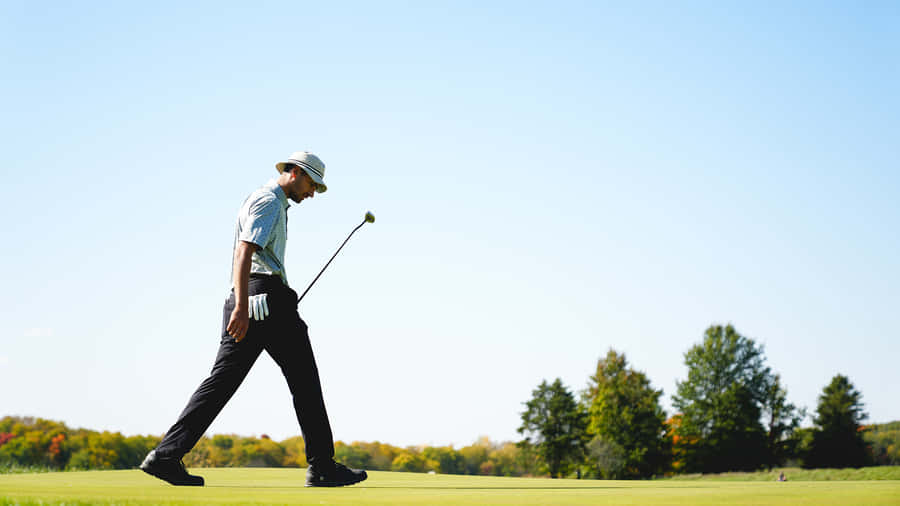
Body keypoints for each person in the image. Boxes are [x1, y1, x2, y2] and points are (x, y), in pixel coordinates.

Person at [140, 151, 368, 488]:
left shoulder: (266, 200)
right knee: (305, 381)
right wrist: (242, 306)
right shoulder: (269, 201)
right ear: (295, 173)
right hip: (264, 301)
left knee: (222, 383)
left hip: (253, 297)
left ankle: (166, 456)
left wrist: (241, 301)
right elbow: (244, 251)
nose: (312, 193)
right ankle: (322, 466)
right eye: (312, 185)